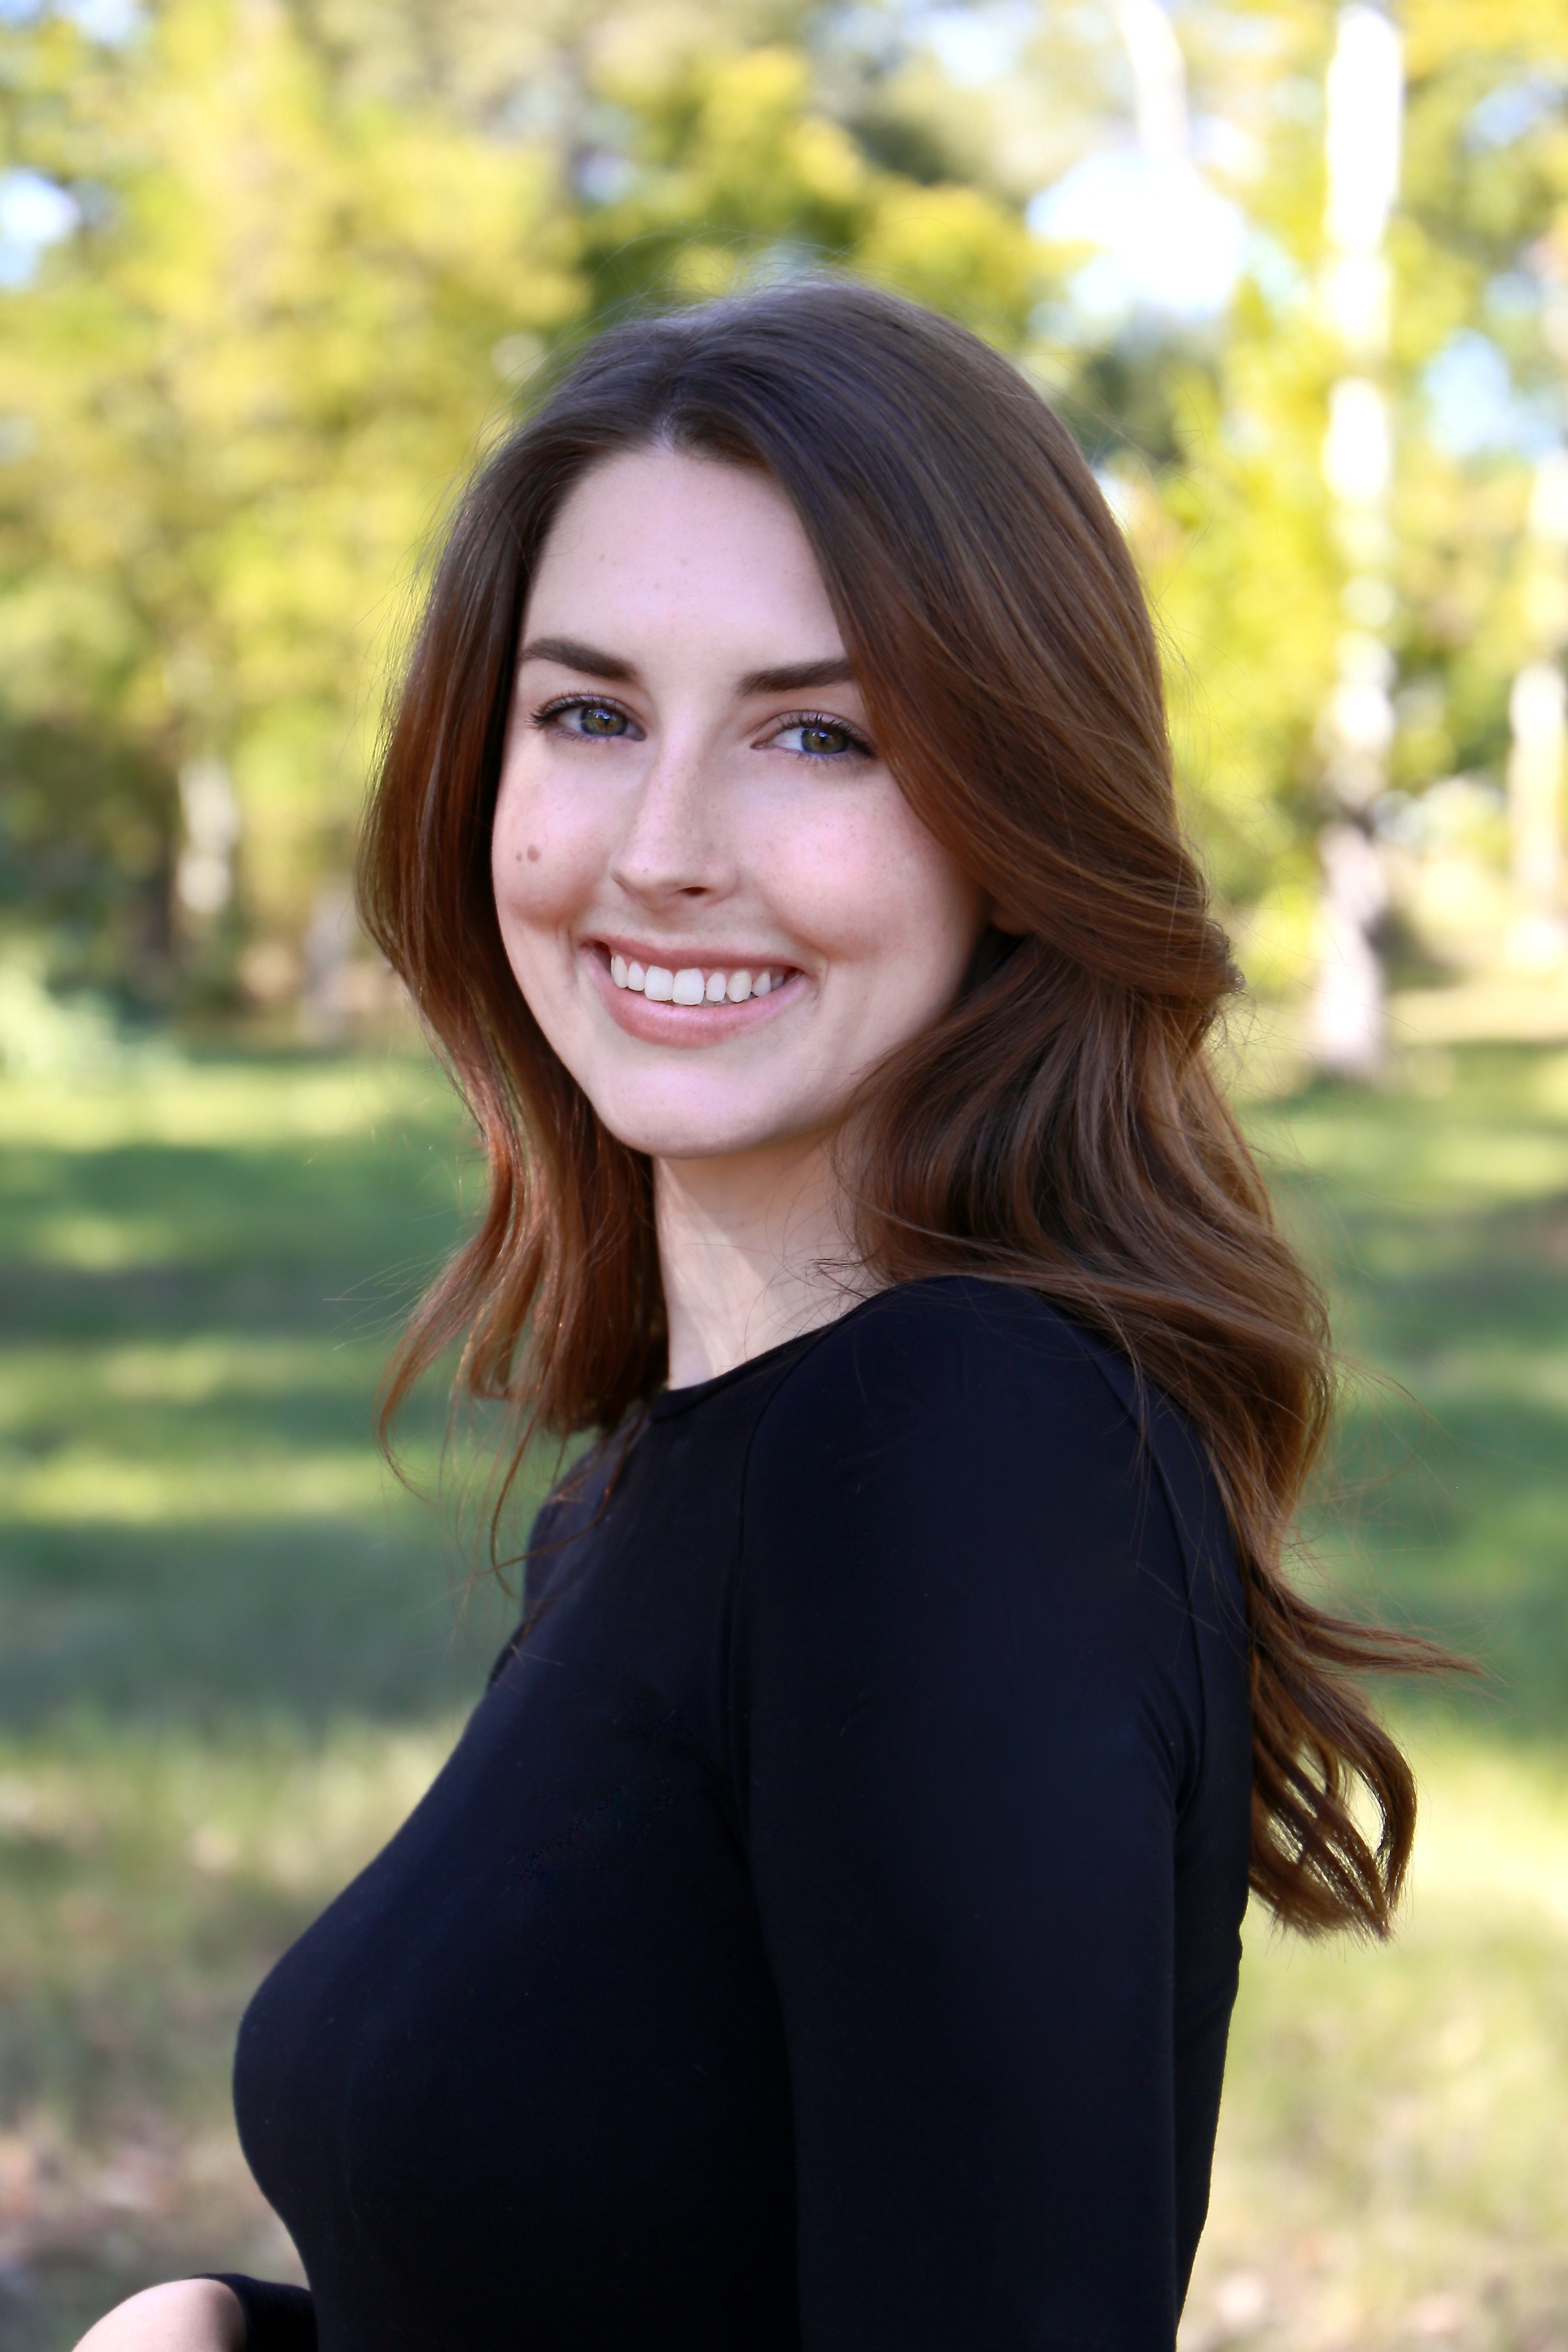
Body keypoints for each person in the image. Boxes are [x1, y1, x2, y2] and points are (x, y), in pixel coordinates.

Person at [75, 280, 1431, 2352]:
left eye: (820, 732)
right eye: (591, 714)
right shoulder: (677, 1485)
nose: (664, 848)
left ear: (1017, 814)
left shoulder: (954, 1459)